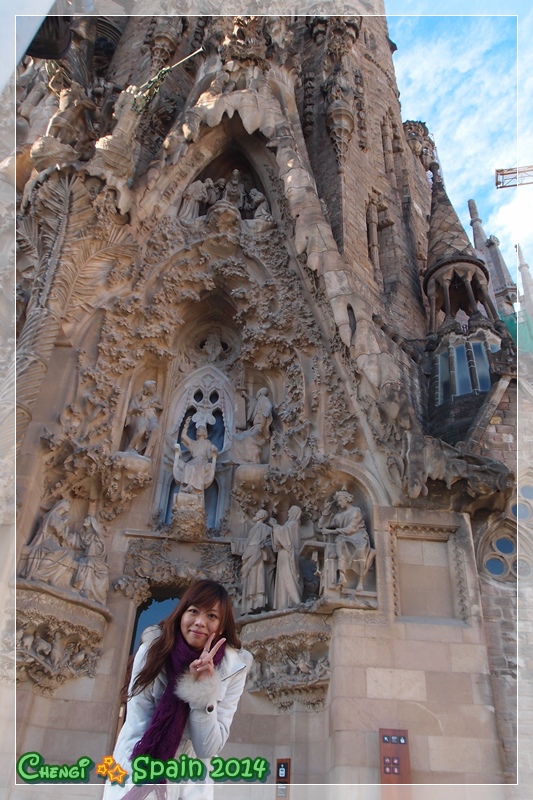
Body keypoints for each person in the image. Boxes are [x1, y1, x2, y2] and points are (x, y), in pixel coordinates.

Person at [103, 580, 253, 799]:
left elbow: (207, 748)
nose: (200, 622)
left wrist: (202, 689)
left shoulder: (233, 669)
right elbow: (136, 728)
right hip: (138, 779)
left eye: (211, 616)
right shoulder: (151, 654)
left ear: (221, 626)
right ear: (181, 615)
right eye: (193, 611)